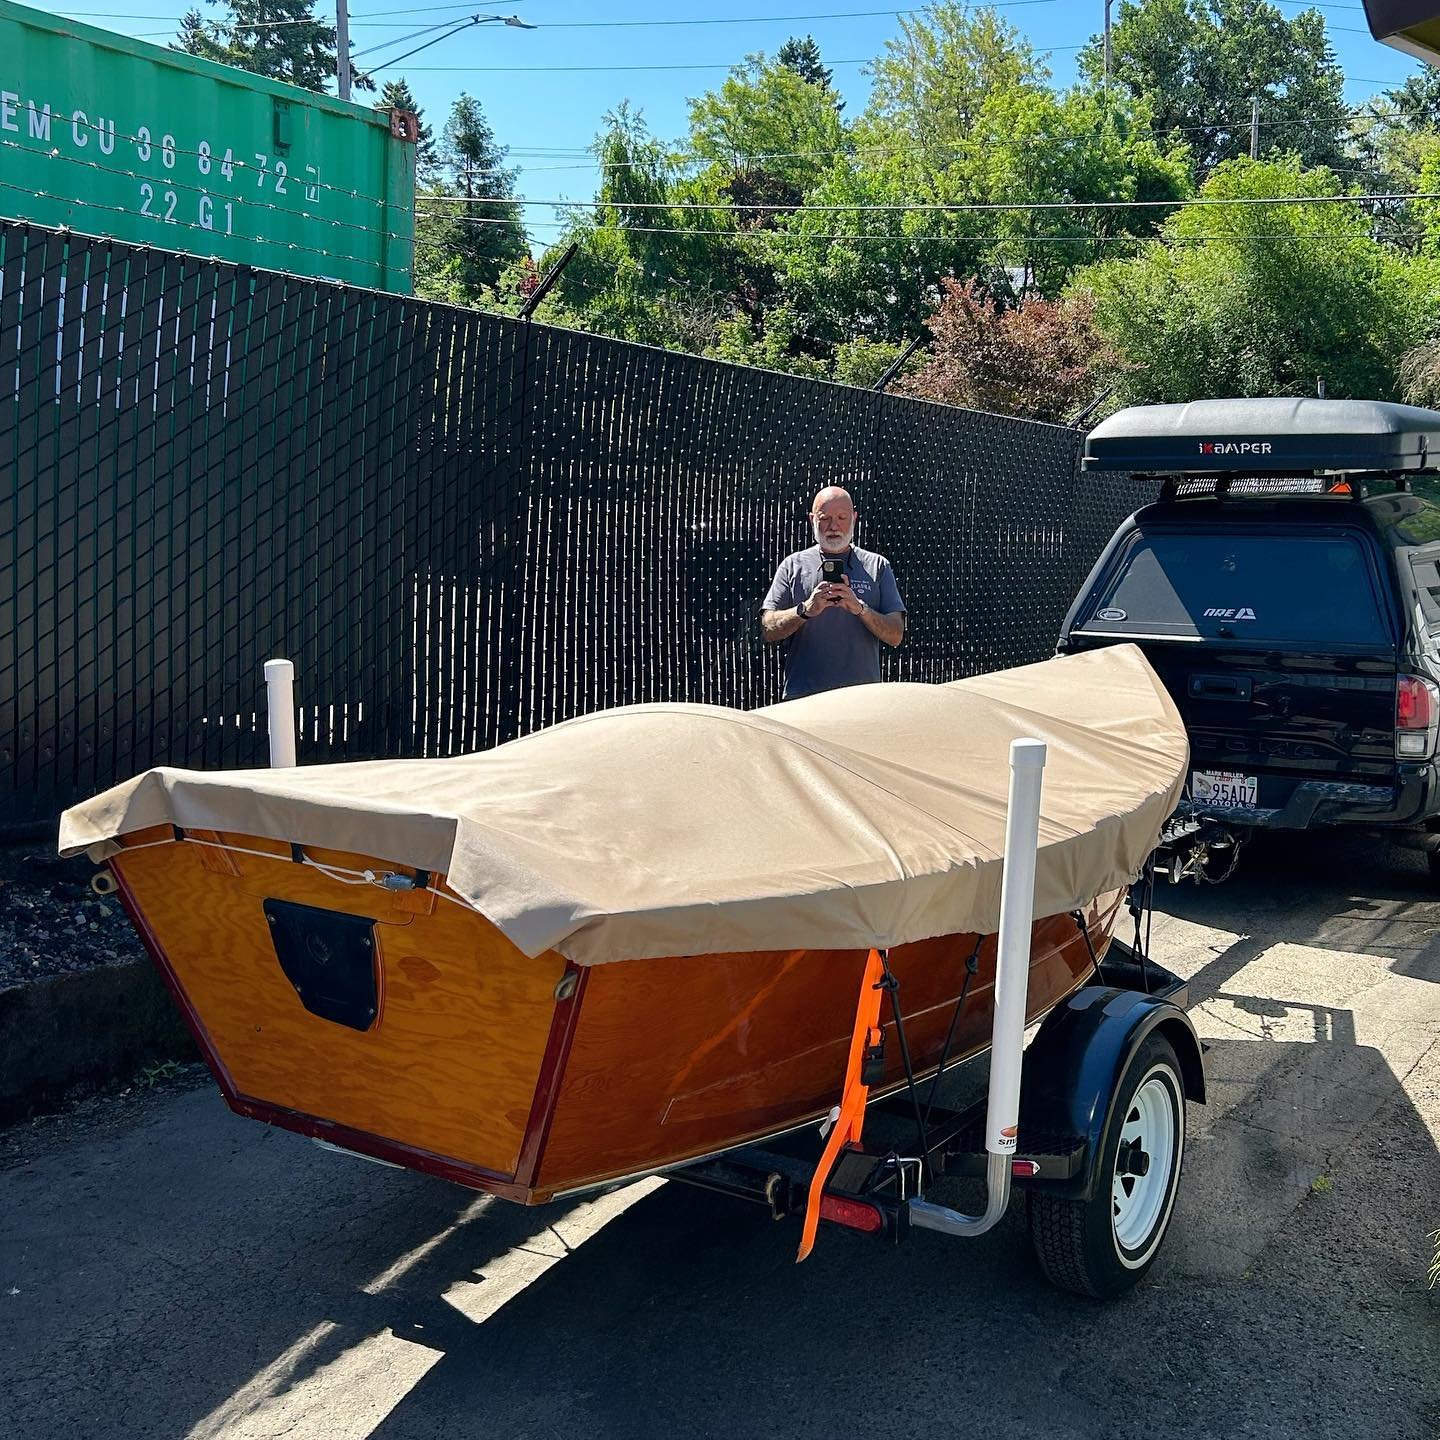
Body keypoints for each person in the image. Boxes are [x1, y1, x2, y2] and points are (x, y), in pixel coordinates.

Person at [760, 485, 906, 700]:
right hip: (804, 697)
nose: (833, 526)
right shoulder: (792, 565)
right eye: (825, 518)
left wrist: (860, 609)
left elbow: (896, 635)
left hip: (863, 698)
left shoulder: (877, 565)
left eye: (841, 517)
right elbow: (767, 628)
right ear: (812, 520)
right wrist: (805, 610)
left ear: (854, 517)